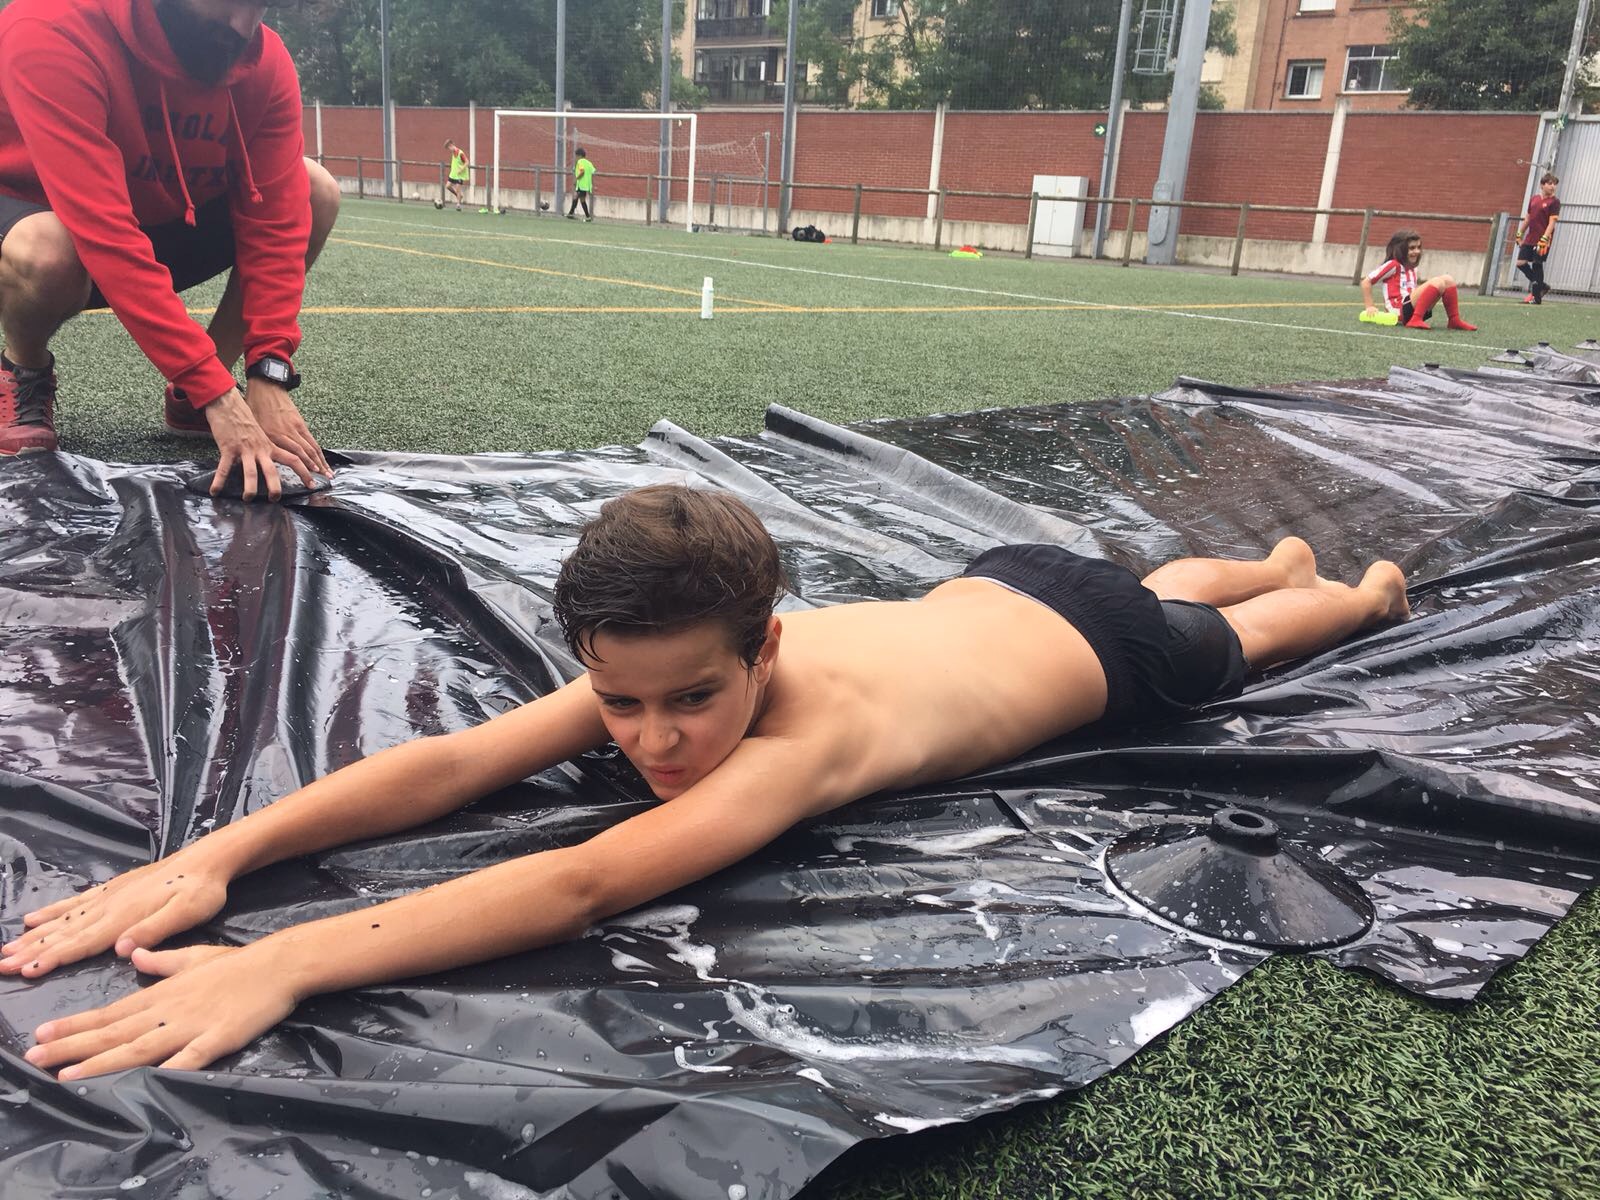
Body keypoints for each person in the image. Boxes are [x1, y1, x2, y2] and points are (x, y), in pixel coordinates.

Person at [3, 485, 1411, 1079]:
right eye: (619, 703)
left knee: (1229, 633)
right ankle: (1266, 564)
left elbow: (580, 881)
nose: (657, 741)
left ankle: (1339, 590)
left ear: (763, 651)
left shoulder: (799, 746)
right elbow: (460, 761)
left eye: (693, 701)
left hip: (1111, 650)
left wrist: (290, 959)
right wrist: (224, 853)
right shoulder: (658, 671)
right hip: (1003, 582)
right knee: (1156, 579)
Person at [0, 0, 336, 501]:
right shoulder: (49, 27)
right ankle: (22, 369)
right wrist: (217, 392)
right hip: (37, 213)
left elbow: (277, 224)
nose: (245, 26)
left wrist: (269, 368)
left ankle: (193, 397)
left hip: (156, 217)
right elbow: (104, 230)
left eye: (261, 5)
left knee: (314, 190)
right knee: (47, 252)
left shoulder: (264, 62)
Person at [1360, 230, 1475, 332]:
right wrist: (1370, 306)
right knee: (1438, 282)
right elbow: (1366, 282)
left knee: (1448, 279)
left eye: (1418, 247)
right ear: (1401, 249)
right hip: (1398, 311)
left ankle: (1454, 320)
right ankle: (1415, 319)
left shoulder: (1412, 268)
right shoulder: (1393, 265)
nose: (1417, 251)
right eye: (1412, 248)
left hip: (1412, 310)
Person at [1514, 171, 1560, 305]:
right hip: (1530, 238)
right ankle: (1542, 286)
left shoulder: (1554, 202)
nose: (1553, 186)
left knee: (1536, 264)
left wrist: (1545, 238)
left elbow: (1552, 222)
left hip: (1543, 240)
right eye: (1550, 183)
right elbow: (1528, 218)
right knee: (1520, 263)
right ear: (1542, 185)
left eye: (1554, 184)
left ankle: (1536, 297)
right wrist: (1519, 233)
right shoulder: (1534, 199)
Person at [437, 139, 469, 212]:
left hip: (459, 174)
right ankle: (459, 196)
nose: (449, 150)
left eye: (448, 148)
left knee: (458, 189)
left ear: (451, 145)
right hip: (453, 173)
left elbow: (467, 162)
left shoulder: (460, 153)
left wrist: (461, 169)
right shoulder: (453, 152)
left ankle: (458, 204)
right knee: (448, 186)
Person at [567, 146, 594, 222]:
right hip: (587, 185)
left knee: (576, 197)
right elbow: (593, 171)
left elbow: (582, 171)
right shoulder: (589, 163)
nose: (575, 158)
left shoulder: (580, 162)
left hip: (581, 184)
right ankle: (587, 217)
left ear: (579, 155)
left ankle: (571, 213)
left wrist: (576, 179)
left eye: (576, 156)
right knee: (582, 200)